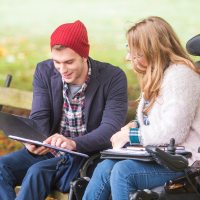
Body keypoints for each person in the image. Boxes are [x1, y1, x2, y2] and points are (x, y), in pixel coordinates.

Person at [0, 20, 128, 200]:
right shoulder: (44, 71)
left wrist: (73, 143)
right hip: (50, 150)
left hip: (86, 155)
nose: (62, 69)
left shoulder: (113, 77)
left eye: (69, 62)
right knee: (1, 168)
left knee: (38, 171)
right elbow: (40, 117)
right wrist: (32, 141)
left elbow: (111, 128)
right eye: (57, 62)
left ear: (85, 55)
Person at [83, 16, 200, 200]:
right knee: (105, 166)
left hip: (187, 162)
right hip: (162, 157)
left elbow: (174, 131)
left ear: (151, 51)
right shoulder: (159, 74)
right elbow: (155, 119)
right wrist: (134, 126)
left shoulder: (181, 76)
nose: (128, 57)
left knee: (124, 171)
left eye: (134, 52)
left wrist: (130, 136)